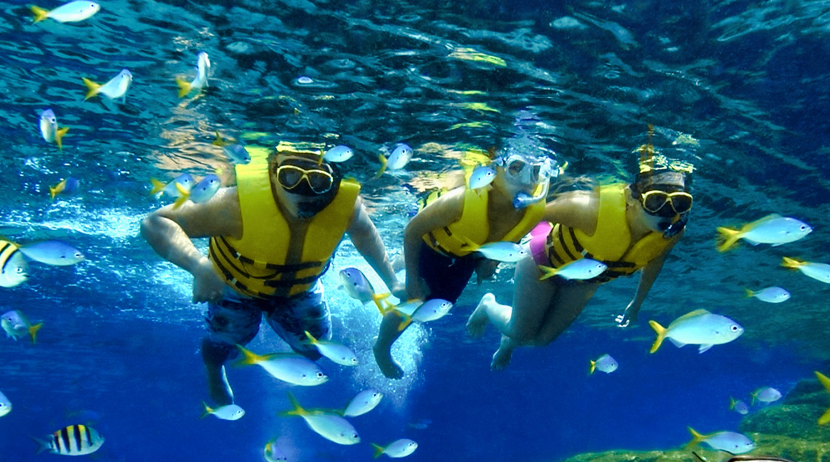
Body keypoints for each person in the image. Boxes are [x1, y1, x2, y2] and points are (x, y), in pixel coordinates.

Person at [141, 145, 400, 405]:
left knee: (316, 349)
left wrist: (393, 281)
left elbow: (366, 235)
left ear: (334, 180)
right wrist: (199, 266)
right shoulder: (235, 204)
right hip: (236, 289)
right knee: (221, 346)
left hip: (301, 290)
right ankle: (214, 371)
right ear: (273, 172)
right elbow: (155, 222)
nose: (304, 190)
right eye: (290, 176)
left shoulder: (348, 208)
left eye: (318, 180)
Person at [466, 165, 692, 369]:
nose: (668, 213)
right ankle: (487, 305)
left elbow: (655, 261)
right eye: (656, 201)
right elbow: (529, 214)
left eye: (679, 203)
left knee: (542, 340)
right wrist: (492, 257)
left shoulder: (672, 234)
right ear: (631, 197)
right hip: (541, 262)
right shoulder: (589, 211)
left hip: (584, 281)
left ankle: (507, 343)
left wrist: (636, 303)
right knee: (522, 333)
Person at [372, 147, 558, 379]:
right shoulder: (460, 201)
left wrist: (490, 264)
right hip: (433, 247)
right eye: (515, 168)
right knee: (417, 302)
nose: (526, 180)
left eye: (536, 172)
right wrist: (412, 281)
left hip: (466, 255)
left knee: (443, 302)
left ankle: (402, 265)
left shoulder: (531, 211)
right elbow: (412, 231)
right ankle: (381, 347)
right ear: (495, 170)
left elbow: (510, 240)